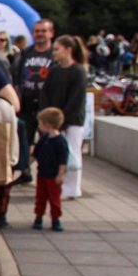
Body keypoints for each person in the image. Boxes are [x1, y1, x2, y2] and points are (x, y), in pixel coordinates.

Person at [41, 36, 89, 200]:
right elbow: (45, 93)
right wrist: (48, 114)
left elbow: (76, 99)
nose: (54, 52)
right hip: (54, 120)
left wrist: (63, 120)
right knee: (58, 153)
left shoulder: (78, 71)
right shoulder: (54, 70)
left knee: (72, 152)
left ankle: (72, 188)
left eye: (57, 49)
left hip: (72, 121)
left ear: (68, 50)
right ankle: (58, 184)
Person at [12, 19, 57, 185]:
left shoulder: (54, 54)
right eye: (37, 31)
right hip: (27, 101)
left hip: (47, 103)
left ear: (51, 33)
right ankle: (25, 171)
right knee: (25, 139)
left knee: (48, 140)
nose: (40, 34)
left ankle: (48, 173)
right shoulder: (26, 53)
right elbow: (17, 75)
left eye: (43, 31)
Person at [31, 108, 70, 231]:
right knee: (40, 197)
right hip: (42, 173)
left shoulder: (60, 142)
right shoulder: (44, 139)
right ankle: (38, 217)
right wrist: (27, 165)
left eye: (40, 124)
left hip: (53, 175)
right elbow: (35, 154)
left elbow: (63, 160)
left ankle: (55, 219)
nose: (39, 126)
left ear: (47, 125)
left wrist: (60, 174)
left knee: (54, 198)